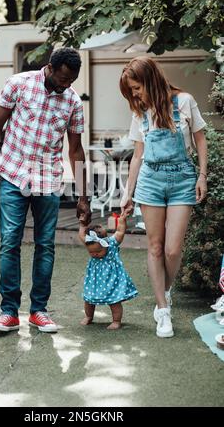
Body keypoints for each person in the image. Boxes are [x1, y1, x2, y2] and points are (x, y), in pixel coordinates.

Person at [0, 47, 91, 333]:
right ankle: (9, 312)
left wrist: (82, 196)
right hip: (14, 174)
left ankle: (39, 311)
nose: (67, 85)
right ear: (50, 68)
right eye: (63, 79)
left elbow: (76, 151)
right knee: (10, 243)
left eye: (72, 81)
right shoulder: (18, 84)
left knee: (45, 246)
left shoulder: (73, 102)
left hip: (48, 179)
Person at [119, 56, 208, 338]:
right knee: (155, 247)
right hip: (150, 181)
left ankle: (165, 290)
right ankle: (163, 311)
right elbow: (138, 155)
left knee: (172, 249)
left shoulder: (184, 102)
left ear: (150, 79)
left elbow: (200, 139)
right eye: (131, 90)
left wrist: (202, 175)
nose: (134, 94)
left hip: (183, 178)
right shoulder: (140, 113)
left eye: (136, 87)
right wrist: (127, 192)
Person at [78, 214, 138, 330]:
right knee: (88, 299)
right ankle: (88, 316)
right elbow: (81, 235)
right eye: (91, 252)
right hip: (94, 280)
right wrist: (82, 224)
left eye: (99, 251)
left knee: (114, 301)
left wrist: (122, 220)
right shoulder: (89, 241)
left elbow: (120, 232)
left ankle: (116, 321)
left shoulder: (111, 243)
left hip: (112, 279)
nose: (95, 254)